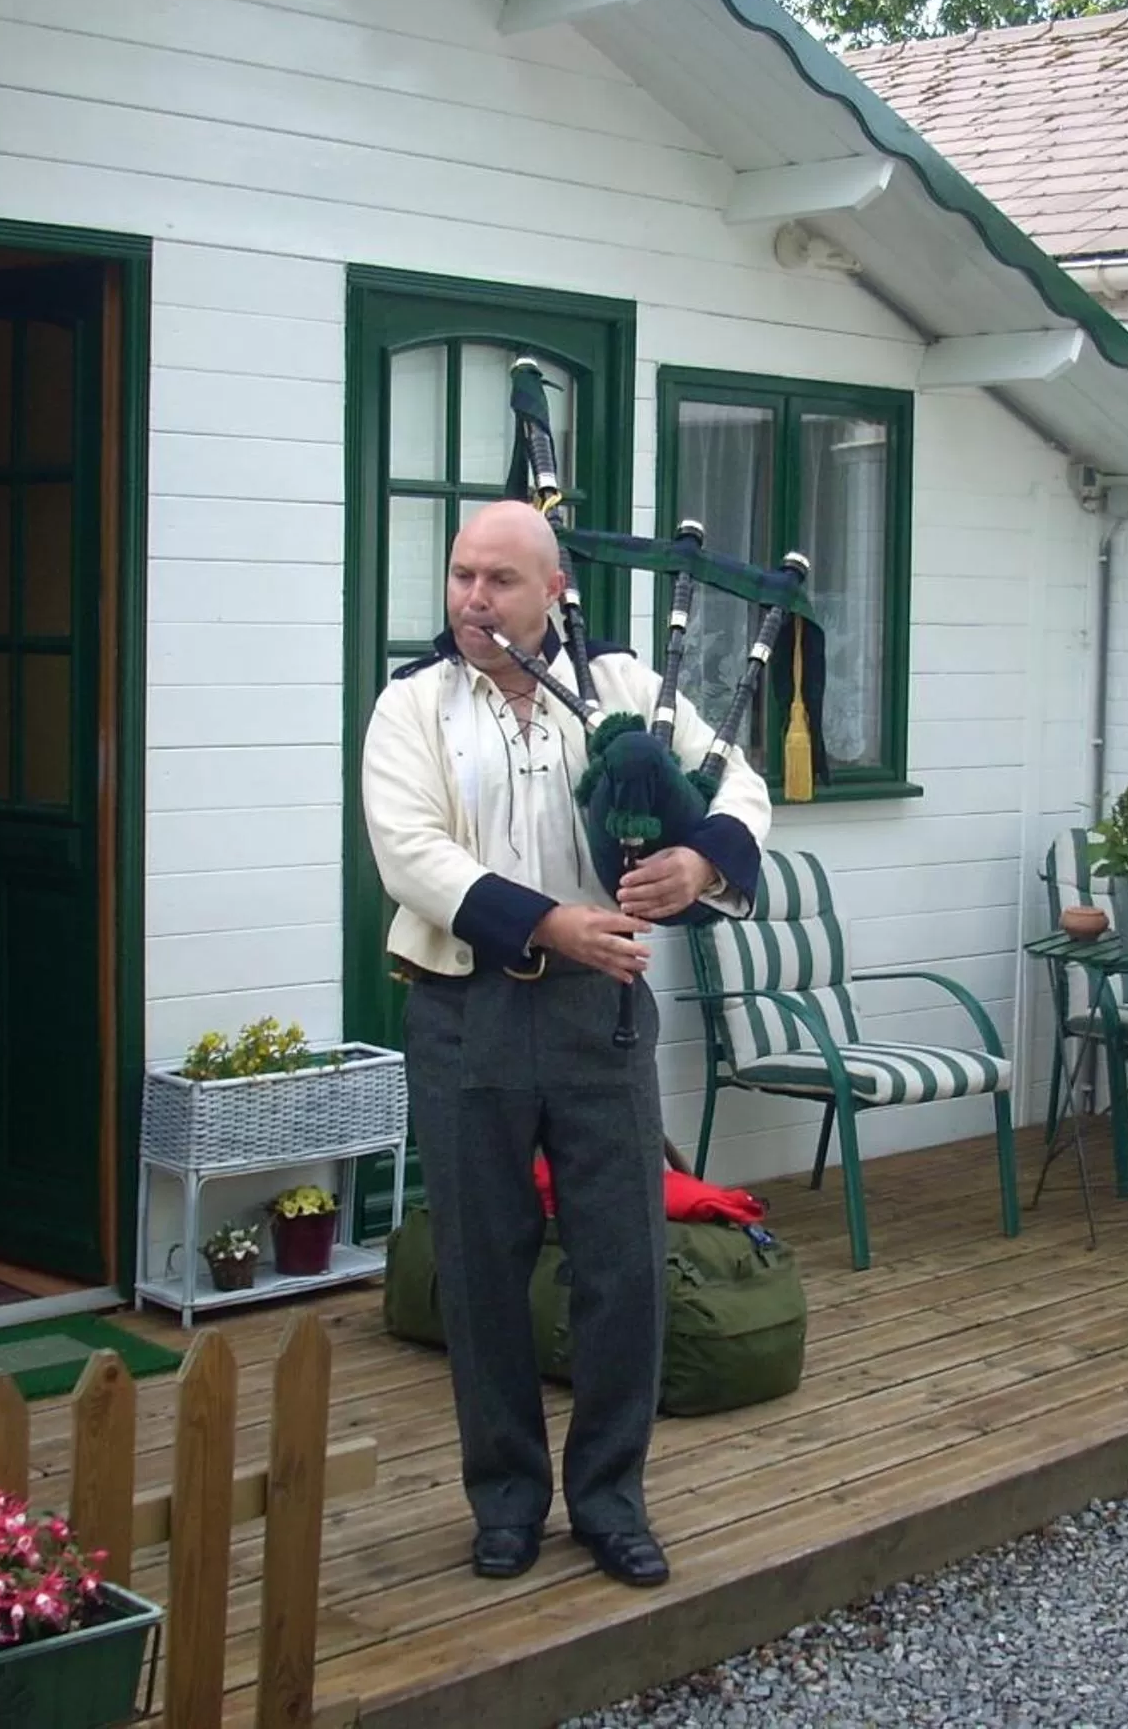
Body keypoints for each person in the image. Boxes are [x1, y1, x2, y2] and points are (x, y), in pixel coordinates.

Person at [362, 501, 770, 1589]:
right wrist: (549, 924)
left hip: (604, 1012)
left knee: (624, 1265)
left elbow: (739, 782)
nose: (473, 599)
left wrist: (700, 863)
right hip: (466, 1010)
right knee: (481, 1268)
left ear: (553, 591)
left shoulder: (623, 687)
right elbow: (411, 855)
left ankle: (610, 1501)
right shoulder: (412, 706)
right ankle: (504, 1502)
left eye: (499, 580)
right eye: (461, 575)